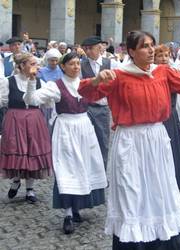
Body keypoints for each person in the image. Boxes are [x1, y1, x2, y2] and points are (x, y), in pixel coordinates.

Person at [77, 30, 180, 249]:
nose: (150, 50)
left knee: (160, 187)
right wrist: (97, 78)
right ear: (131, 51)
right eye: (144, 46)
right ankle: (134, 240)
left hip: (156, 137)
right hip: (130, 139)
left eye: (152, 45)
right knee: (132, 188)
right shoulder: (118, 75)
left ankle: (163, 238)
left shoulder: (163, 72)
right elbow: (87, 93)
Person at [23, 52, 107, 234]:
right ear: (63, 66)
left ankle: (77, 207)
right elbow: (31, 100)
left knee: (84, 167)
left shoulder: (86, 83)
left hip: (85, 127)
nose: (76, 67)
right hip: (66, 129)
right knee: (67, 169)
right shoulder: (56, 85)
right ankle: (68, 213)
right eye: (72, 64)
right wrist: (31, 81)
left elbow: (102, 99)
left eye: (78, 63)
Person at [0, 52, 52, 204]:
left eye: (36, 64)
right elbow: (2, 102)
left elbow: (45, 102)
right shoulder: (8, 82)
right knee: (18, 151)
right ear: (22, 66)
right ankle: (16, 180)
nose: (35, 67)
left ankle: (30, 189)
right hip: (15, 120)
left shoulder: (40, 82)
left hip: (35, 120)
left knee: (32, 152)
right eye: (32, 64)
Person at [154, 44, 180, 190]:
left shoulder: (172, 72)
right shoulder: (150, 73)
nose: (164, 59)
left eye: (166, 55)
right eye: (160, 56)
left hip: (170, 116)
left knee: (172, 148)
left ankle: (173, 180)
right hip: (155, 118)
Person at [81, 35, 119, 170]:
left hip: (102, 108)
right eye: (86, 49)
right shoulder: (81, 65)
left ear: (99, 48)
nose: (88, 51)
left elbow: (118, 82)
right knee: (85, 140)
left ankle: (102, 171)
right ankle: (87, 170)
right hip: (86, 108)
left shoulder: (110, 63)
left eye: (91, 48)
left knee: (102, 140)